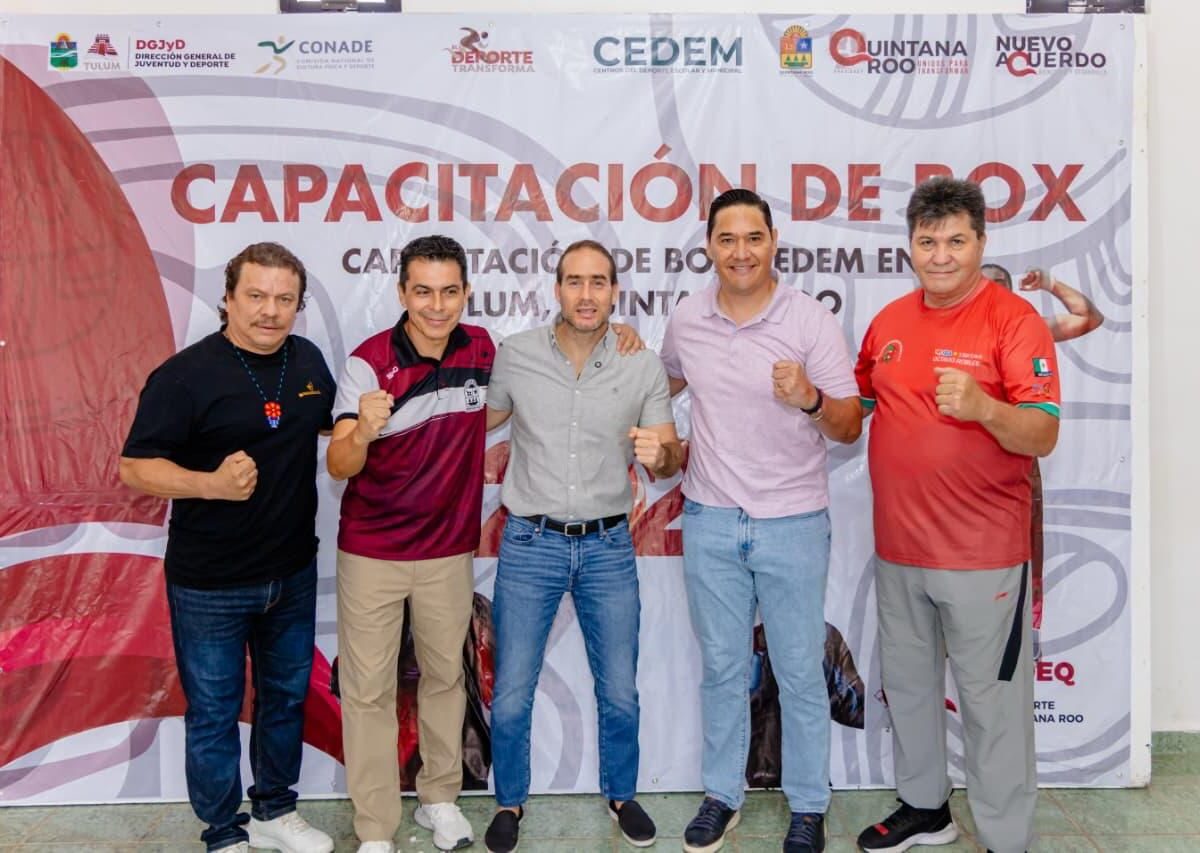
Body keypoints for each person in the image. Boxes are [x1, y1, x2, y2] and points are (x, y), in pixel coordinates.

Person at [854, 177, 1060, 853]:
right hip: (899, 547)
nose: (940, 255)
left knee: (992, 707)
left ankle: (1006, 838)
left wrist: (986, 408)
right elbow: (851, 405)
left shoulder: (1014, 319)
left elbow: (1042, 433)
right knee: (909, 690)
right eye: (927, 240)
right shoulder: (888, 322)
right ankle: (924, 807)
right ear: (910, 244)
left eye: (955, 240)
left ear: (980, 241)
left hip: (983, 554)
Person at [661, 188, 863, 853]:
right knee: (722, 666)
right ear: (710, 247)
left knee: (800, 669)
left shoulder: (808, 321)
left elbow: (848, 422)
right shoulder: (688, 318)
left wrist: (808, 397)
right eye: (727, 239)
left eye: (753, 237)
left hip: (793, 520)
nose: (740, 251)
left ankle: (809, 804)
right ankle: (723, 793)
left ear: (773, 241)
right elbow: (660, 383)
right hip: (712, 517)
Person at [119, 242, 335, 853]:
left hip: (291, 572)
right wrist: (207, 484)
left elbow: (330, 426)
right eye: (257, 296)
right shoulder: (185, 375)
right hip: (209, 582)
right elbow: (135, 467)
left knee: (286, 699)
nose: (270, 311)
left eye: (284, 299)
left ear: (299, 304)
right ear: (229, 299)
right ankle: (223, 831)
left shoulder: (310, 362)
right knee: (214, 713)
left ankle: (273, 810)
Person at [481, 239, 683, 853]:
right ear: (557, 289)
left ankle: (621, 794)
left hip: (607, 547)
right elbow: (471, 421)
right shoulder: (514, 356)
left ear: (614, 291)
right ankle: (510, 800)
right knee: (512, 688)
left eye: (599, 282)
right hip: (529, 543)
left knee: (618, 686)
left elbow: (669, 452)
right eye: (575, 281)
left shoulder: (640, 364)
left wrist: (663, 454)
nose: (586, 294)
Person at [326, 235, 492, 853]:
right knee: (367, 692)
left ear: (466, 293)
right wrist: (364, 430)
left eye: (449, 291)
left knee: (446, 678)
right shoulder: (369, 363)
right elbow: (340, 463)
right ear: (401, 293)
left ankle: (440, 801)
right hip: (371, 553)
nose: (436, 305)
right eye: (423, 291)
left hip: (448, 551)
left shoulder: (481, 348)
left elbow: (496, 406)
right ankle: (374, 830)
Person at [980, 262, 1104, 644]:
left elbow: (1088, 316)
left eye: (1003, 284)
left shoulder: (1026, 330)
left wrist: (1050, 283)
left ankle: (1018, 639)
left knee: (1019, 553)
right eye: (988, 285)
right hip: (962, 464)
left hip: (1016, 458)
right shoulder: (954, 331)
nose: (996, 292)